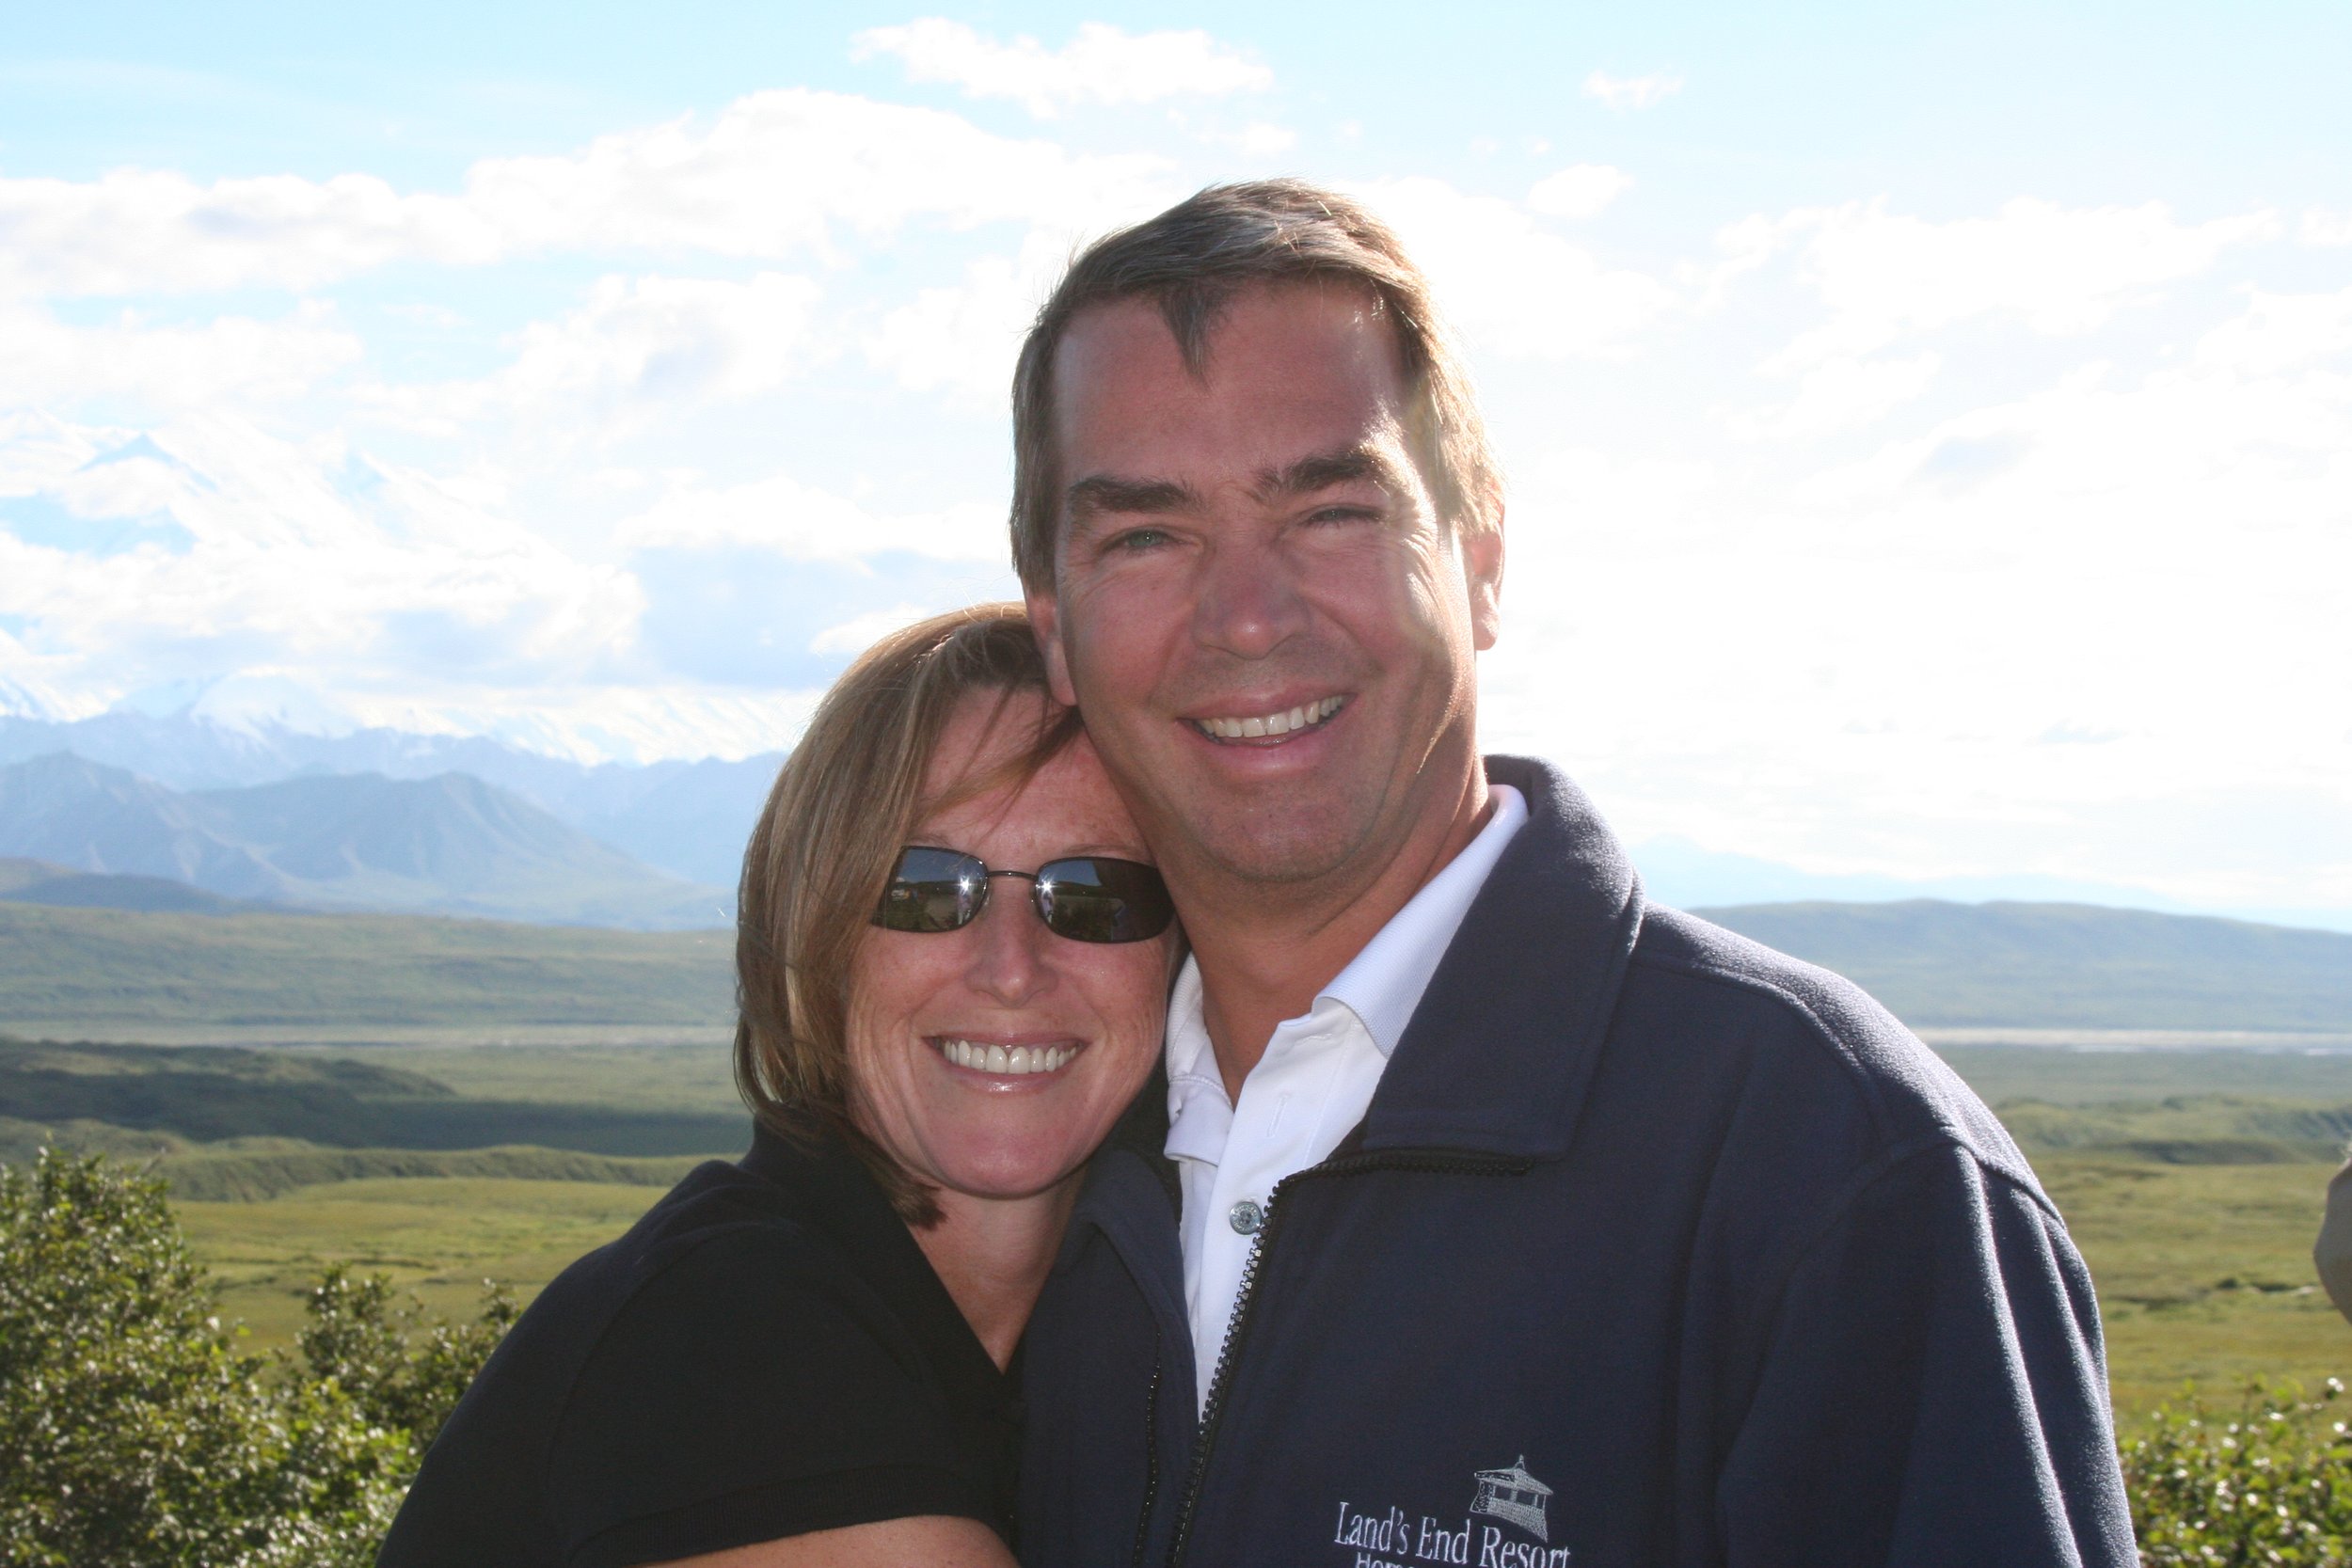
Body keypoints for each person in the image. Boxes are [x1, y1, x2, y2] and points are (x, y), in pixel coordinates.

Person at [1010, 181, 2138, 1566]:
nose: (1247, 616)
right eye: (1147, 535)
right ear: (1056, 630)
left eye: (1332, 512)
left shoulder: (1830, 1165)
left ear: (1480, 562)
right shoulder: (1031, 1144)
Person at [376, 606, 1179, 1568]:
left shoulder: (1098, 1343)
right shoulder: (723, 1330)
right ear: (816, 928)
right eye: (924, 886)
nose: (1011, 966)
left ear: (1182, 947)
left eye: (1095, 891)